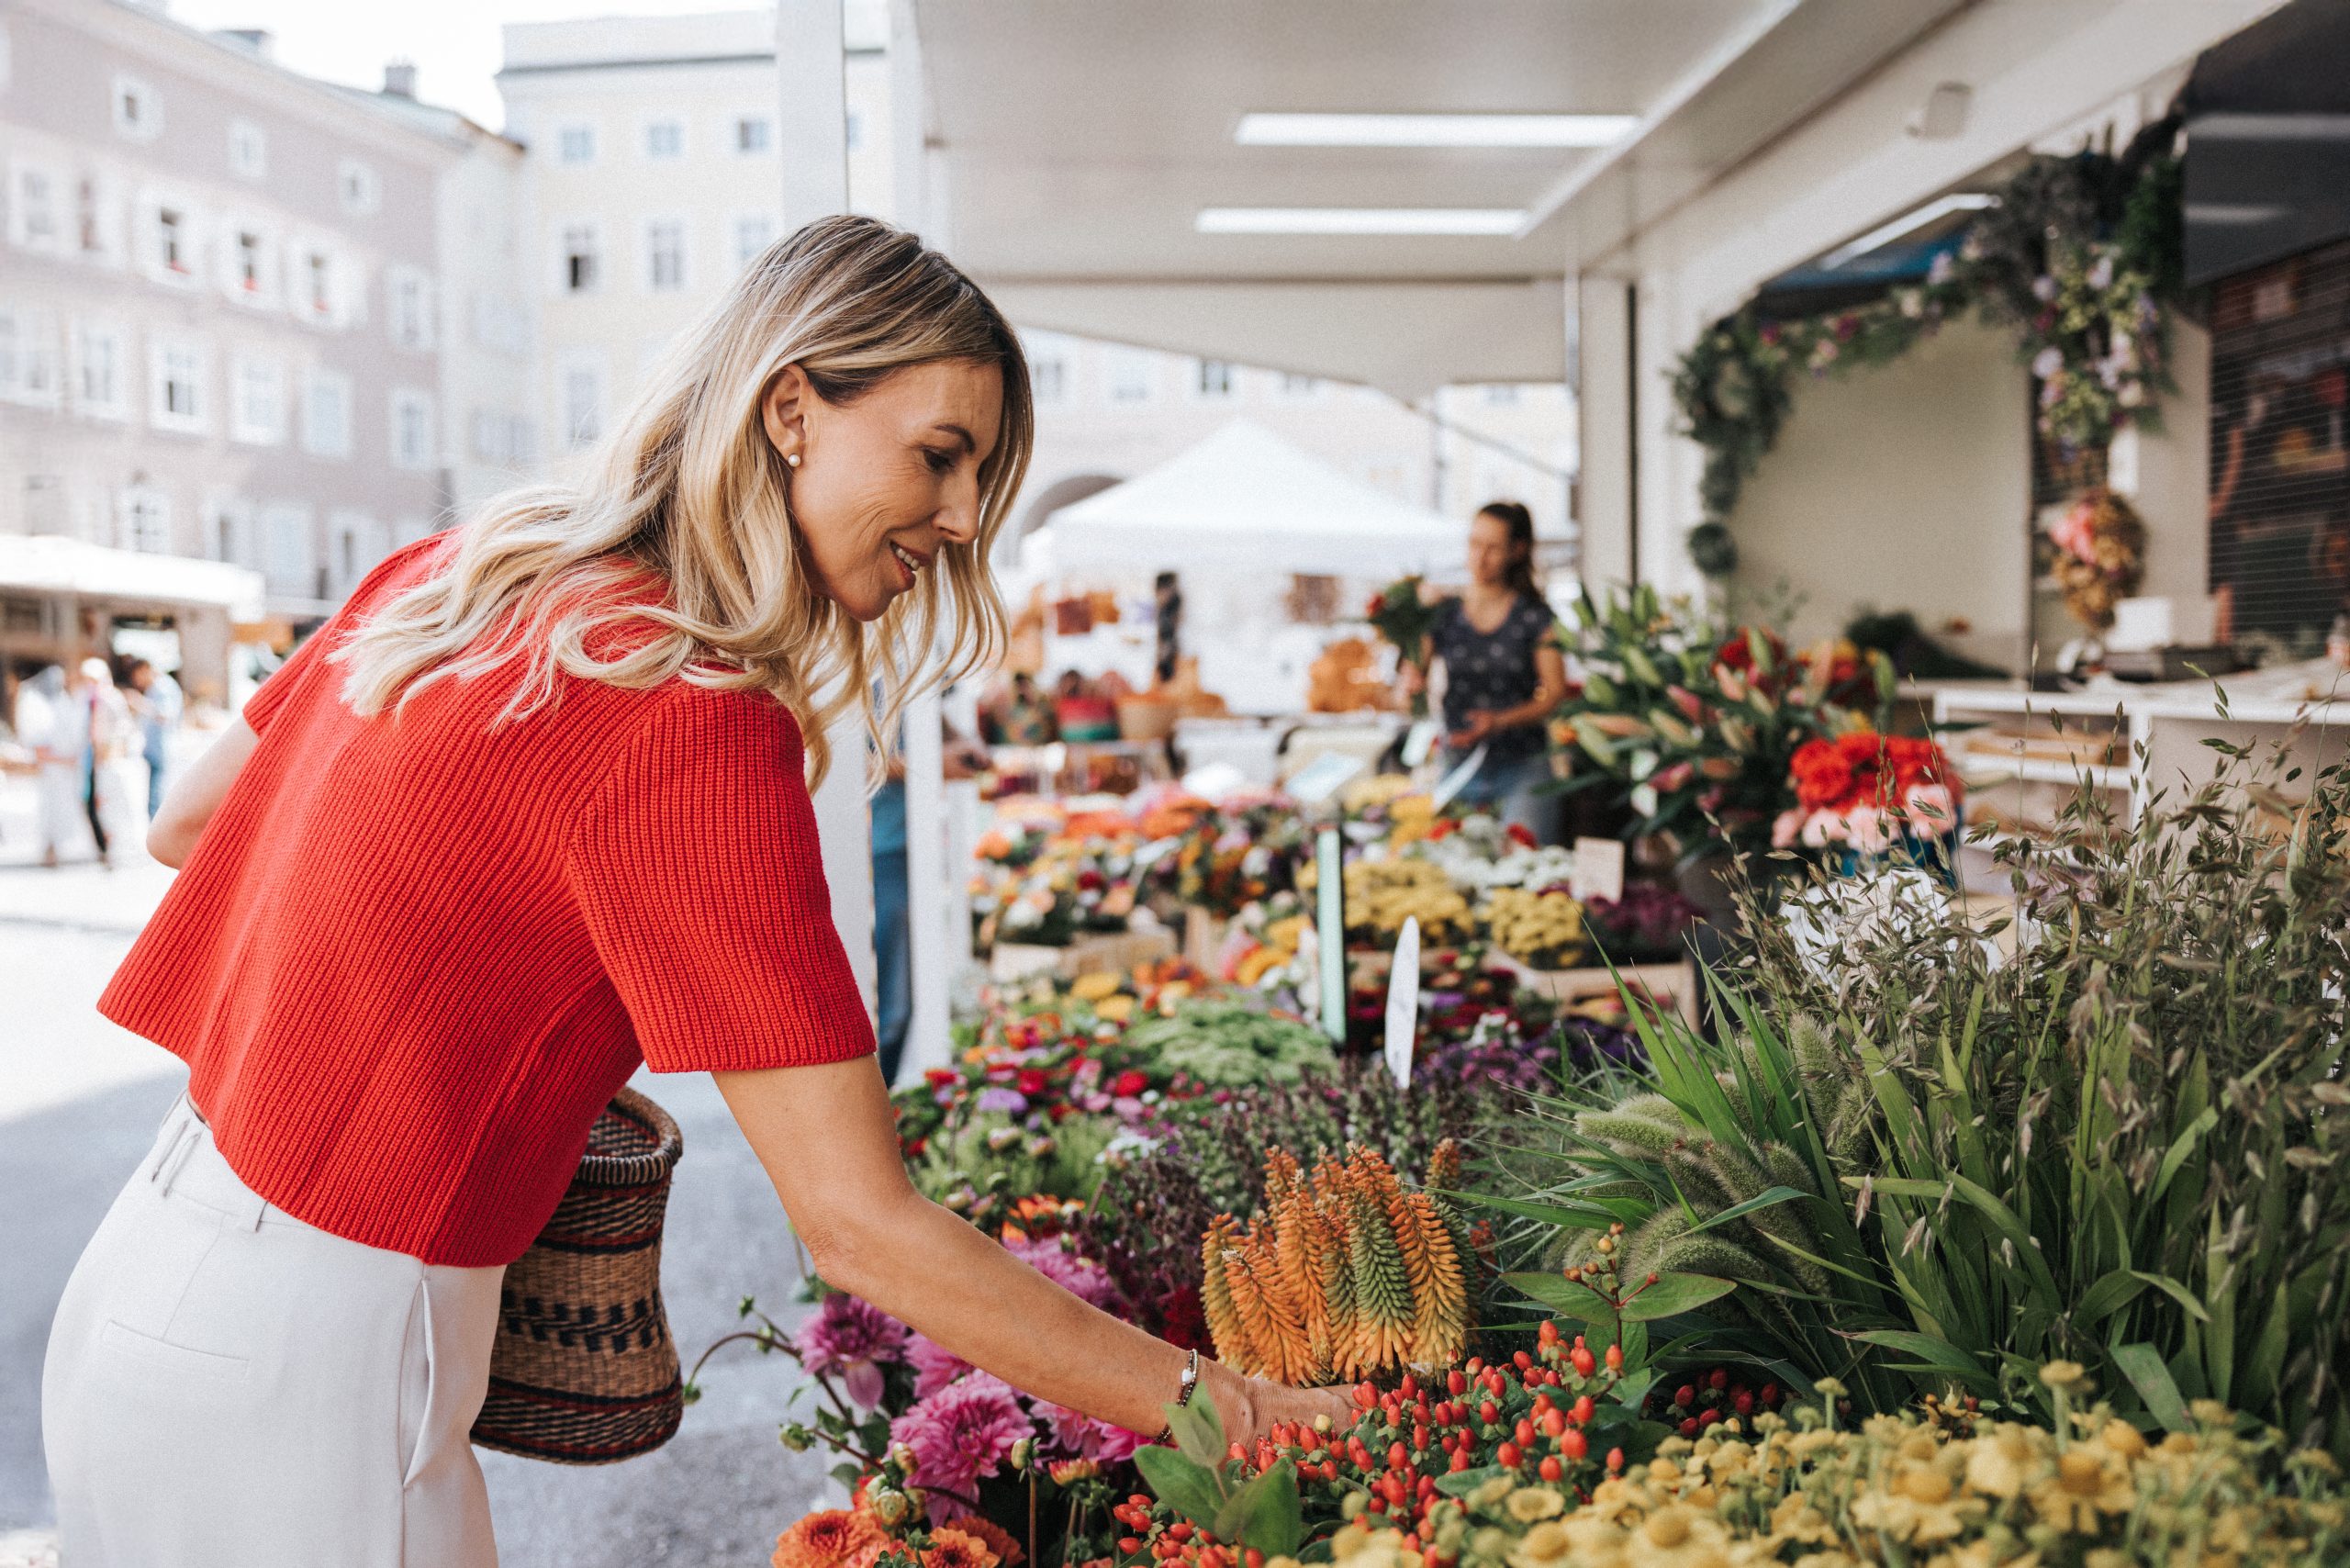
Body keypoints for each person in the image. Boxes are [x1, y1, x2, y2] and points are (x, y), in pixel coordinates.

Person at [41, 216, 1344, 1568]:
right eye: (939, 456)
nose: (963, 522)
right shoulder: (689, 708)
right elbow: (862, 1228)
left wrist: (501, 995)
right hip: (311, 1362)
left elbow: (191, 823)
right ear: (793, 408)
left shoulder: (474, 568)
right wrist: (1235, 1410)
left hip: (147, 1283)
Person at [1421, 500, 1569, 841]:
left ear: (1517, 550)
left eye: (1493, 548)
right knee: (1448, 876)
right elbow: (1413, 677)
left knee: (1524, 873)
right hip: (1458, 764)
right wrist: (1414, 620)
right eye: (1474, 544)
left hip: (1524, 766)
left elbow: (1555, 693)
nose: (1479, 557)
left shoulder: (1536, 617)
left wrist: (1499, 721)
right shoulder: (1444, 612)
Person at [13, 665, 84, 868]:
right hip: (52, 772)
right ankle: (49, 850)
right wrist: (63, 760)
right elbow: (40, 748)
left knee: (64, 811)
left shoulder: (63, 703)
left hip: (64, 771)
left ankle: (57, 849)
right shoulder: (38, 707)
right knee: (50, 811)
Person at [76, 657, 136, 869]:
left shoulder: (111, 699)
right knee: (96, 806)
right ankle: (106, 849)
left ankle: (120, 851)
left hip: (111, 761)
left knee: (114, 807)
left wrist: (110, 750)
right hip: (95, 761)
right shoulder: (88, 701)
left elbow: (123, 729)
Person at [126, 657, 184, 819]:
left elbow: (165, 715)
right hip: (154, 748)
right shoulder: (155, 688)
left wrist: (139, 703)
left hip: (162, 749)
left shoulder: (163, 687)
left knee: (158, 799)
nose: (137, 681)